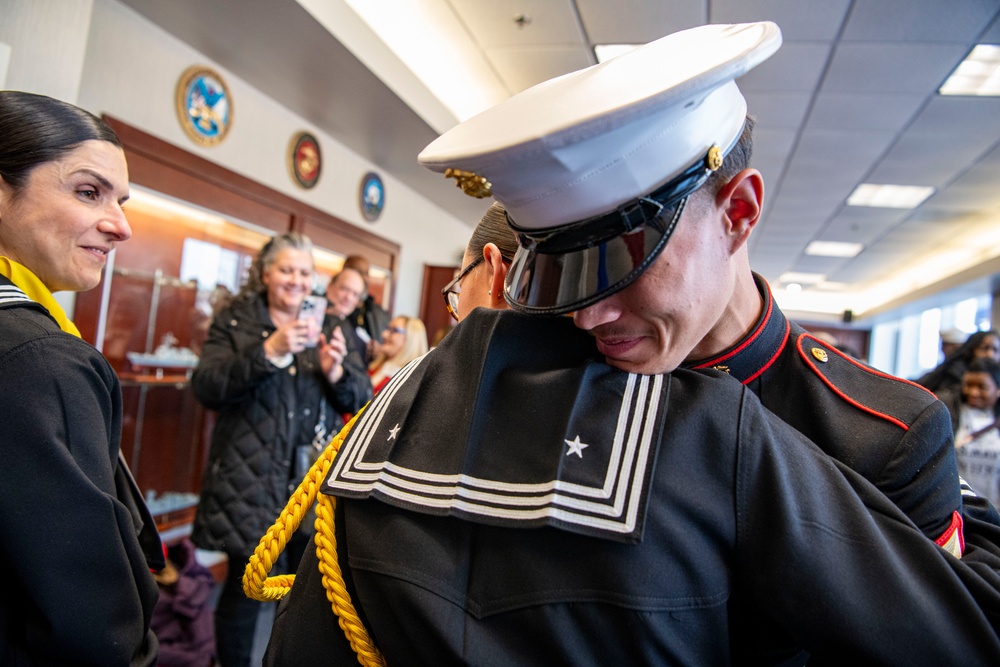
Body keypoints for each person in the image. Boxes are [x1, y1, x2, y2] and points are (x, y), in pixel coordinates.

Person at [261, 26, 1000, 662]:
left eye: (621, 260)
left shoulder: (880, 435)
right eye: (561, 273)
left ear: (738, 213)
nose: (588, 315)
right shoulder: (526, 384)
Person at [0, 90, 163, 665]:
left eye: (120, 201)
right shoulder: (40, 360)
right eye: (88, 192)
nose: (120, 226)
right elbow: (91, 622)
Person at [190, 232, 371, 667]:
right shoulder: (237, 320)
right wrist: (267, 352)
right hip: (248, 479)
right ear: (267, 273)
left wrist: (336, 372)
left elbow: (361, 397)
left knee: (301, 595)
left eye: (305, 272)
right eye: (287, 269)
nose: (296, 279)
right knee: (243, 593)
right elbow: (207, 387)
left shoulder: (330, 323)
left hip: (308, 484)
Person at [939, 358, 1000, 508]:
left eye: (982, 387)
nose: (973, 392)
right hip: (959, 507)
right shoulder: (951, 412)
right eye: (968, 385)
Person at [917, 329, 1000, 396]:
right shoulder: (952, 373)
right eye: (984, 348)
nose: (990, 354)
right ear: (971, 350)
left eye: (995, 350)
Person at [343, 254, 392, 363]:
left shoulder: (380, 314)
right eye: (359, 272)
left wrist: (378, 353)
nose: (364, 278)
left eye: (366, 273)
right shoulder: (335, 309)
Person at [367, 315, 429, 393]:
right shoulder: (376, 365)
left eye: (393, 330)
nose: (384, 334)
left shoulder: (408, 381)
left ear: (411, 339)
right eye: (387, 329)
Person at [324, 265, 369, 368]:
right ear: (330, 287)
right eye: (344, 289)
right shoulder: (306, 318)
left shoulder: (357, 339)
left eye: (355, 294)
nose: (348, 297)